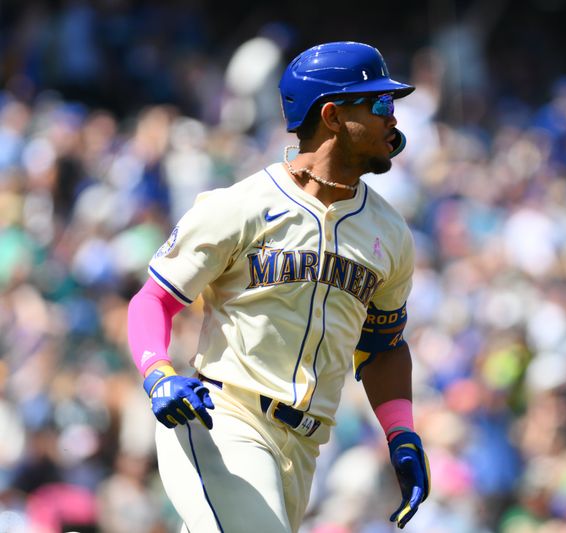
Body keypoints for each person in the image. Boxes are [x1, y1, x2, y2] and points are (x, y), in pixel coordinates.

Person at [126, 41, 430, 533]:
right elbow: (153, 300)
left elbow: (383, 347)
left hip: (304, 450)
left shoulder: (390, 233)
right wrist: (158, 372)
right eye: (378, 104)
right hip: (224, 422)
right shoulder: (240, 206)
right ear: (332, 115)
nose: (393, 119)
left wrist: (401, 434)